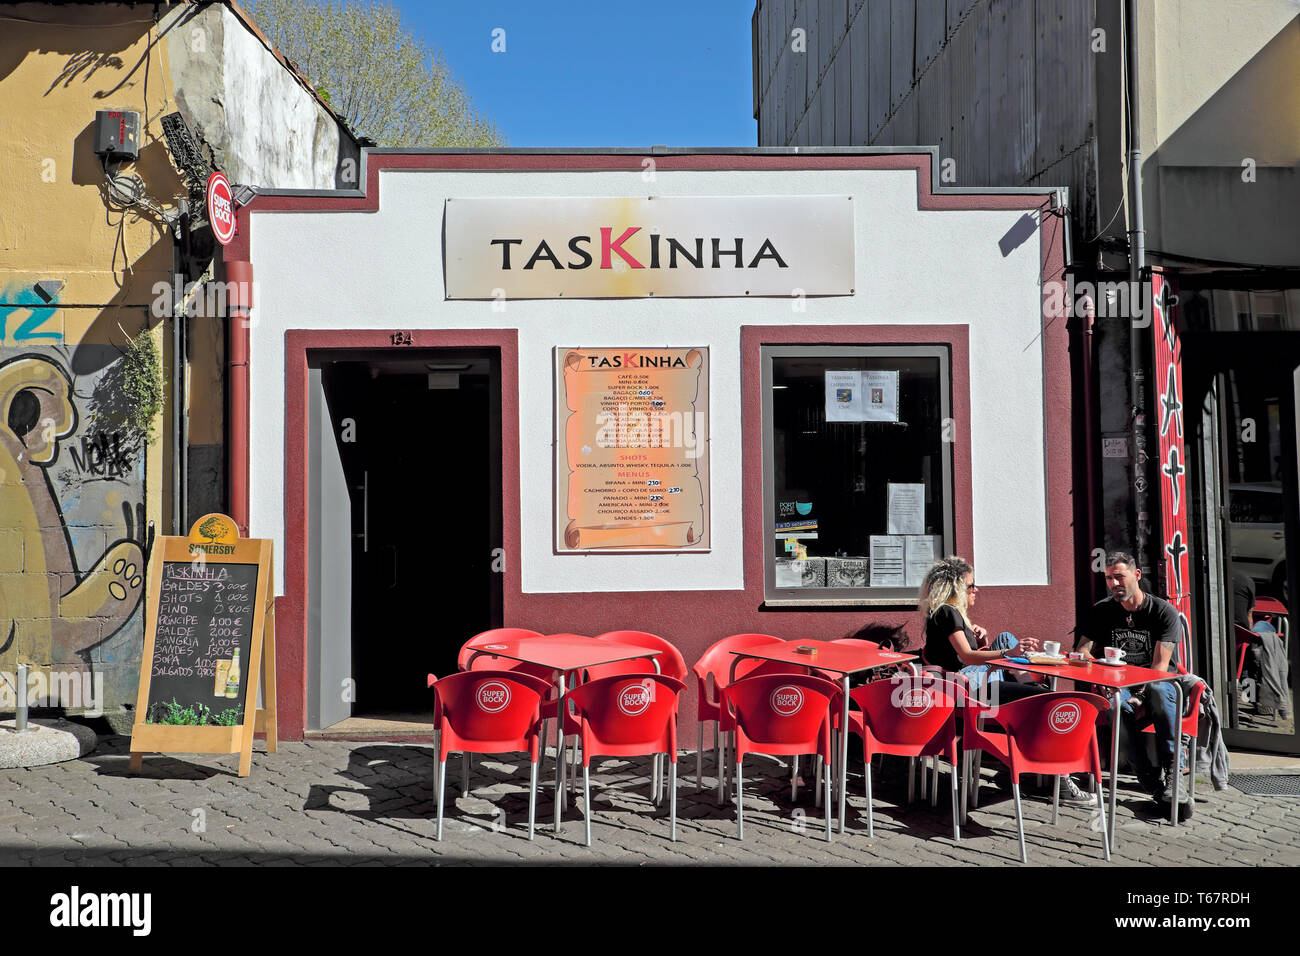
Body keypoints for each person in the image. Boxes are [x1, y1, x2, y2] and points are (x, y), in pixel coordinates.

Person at [919, 556, 1094, 805]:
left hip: (968, 684)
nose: (976, 589)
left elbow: (958, 653)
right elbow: (967, 657)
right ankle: (1058, 777)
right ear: (956, 588)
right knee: (1047, 701)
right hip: (971, 690)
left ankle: (1030, 697)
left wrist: (982, 638)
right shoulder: (948, 612)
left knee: (1009, 643)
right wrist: (1007, 654)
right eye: (971, 585)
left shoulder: (943, 614)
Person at [1074, 551, 1186, 809]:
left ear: (1136, 575)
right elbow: (1082, 651)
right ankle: (1147, 777)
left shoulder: (1163, 612)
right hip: (1118, 682)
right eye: (1108, 578)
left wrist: (1140, 696)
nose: (1114, 584)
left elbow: (1159, 668)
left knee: (1159, 691)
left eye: (1119, 577)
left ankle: (1174, 773)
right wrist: (1100, 670)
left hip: (1157, 683)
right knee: (1114, 705)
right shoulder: (1102, 611)